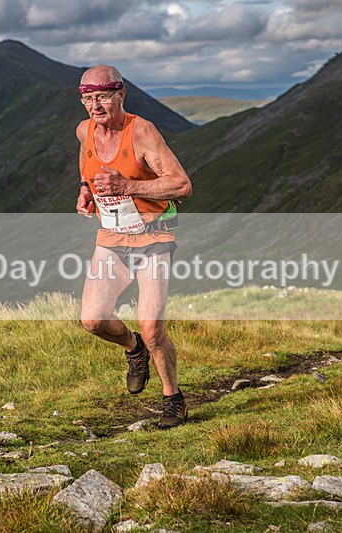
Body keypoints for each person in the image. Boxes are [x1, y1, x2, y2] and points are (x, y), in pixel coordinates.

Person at [75, 65, 192, 429]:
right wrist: (84, 190)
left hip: (153, 238)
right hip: (111, 238)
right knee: (93, 320)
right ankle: (133, 348)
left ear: (121, 94)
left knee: (153, 326)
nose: (95, 106)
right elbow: (87, 164)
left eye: (102, 97)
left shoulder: (141, 132)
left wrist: (128, 187)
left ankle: (173, 399)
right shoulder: (85, 130)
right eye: (88, 98)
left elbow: (181, 185)